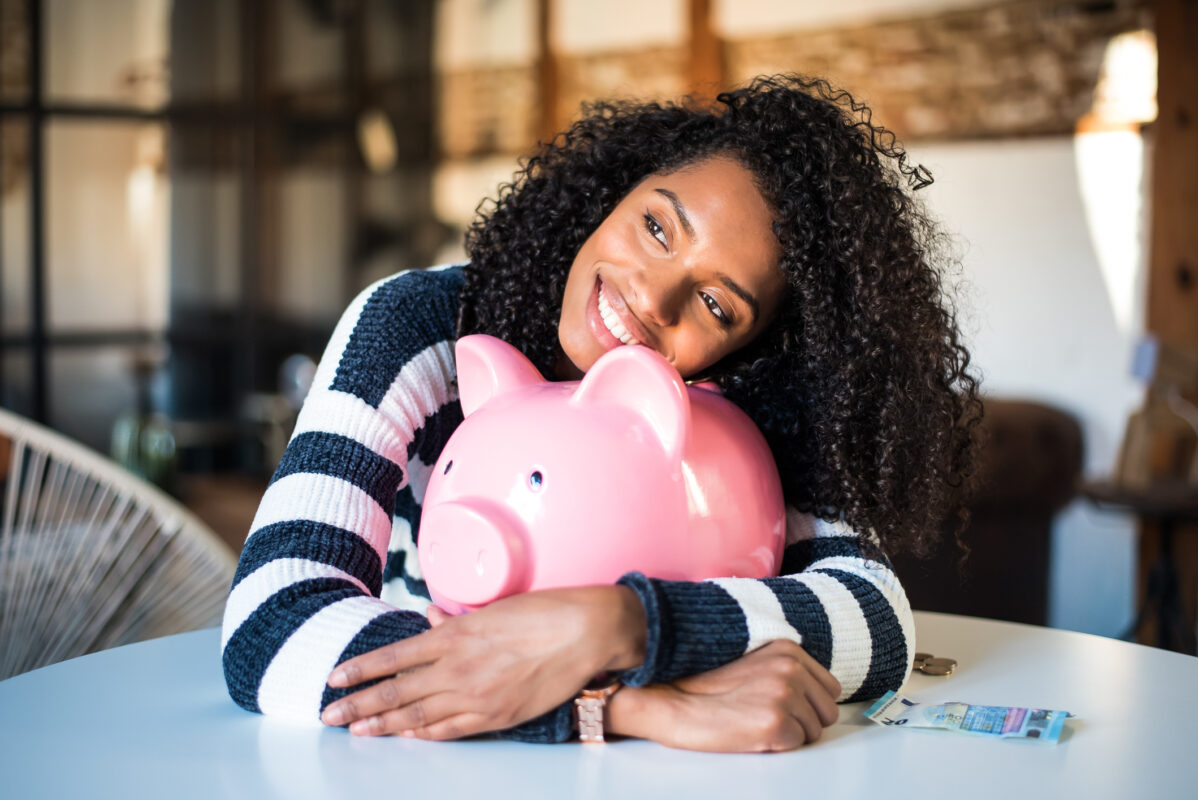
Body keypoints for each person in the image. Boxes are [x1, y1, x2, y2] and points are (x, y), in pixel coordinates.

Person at [221, 74, 981, 752]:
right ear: (613, 190)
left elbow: (878, 625)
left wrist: (621, 623)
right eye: (657, 227)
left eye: (715, 304)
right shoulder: (416, 325)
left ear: (753, 344)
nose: (652, 298)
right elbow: (272, 627)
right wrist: (620, 706)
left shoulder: (748, 408)